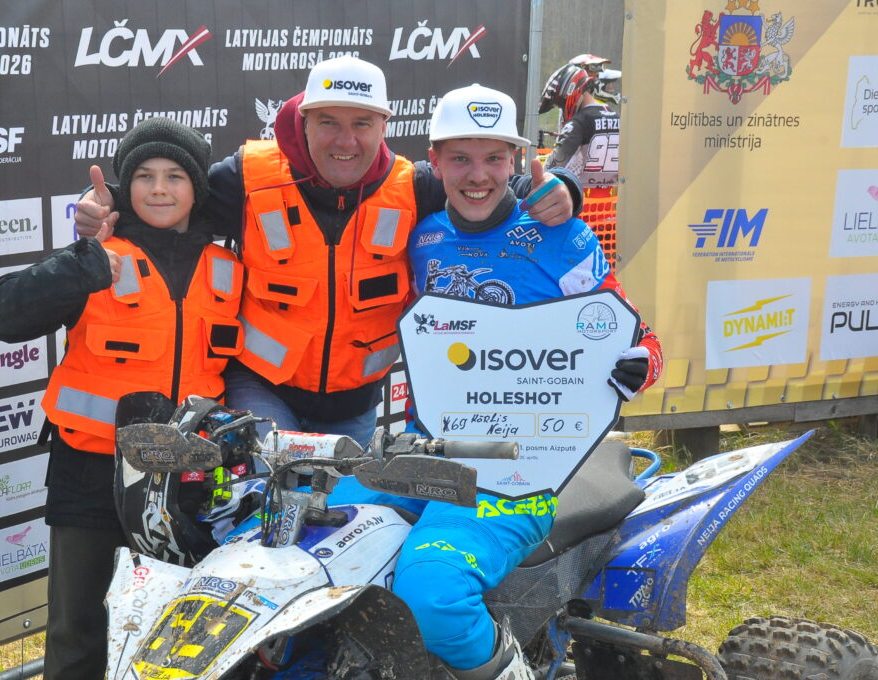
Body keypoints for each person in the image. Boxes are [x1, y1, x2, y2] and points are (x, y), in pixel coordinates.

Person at [73, 56, 584, 450]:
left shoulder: (414, 187)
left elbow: (489, 184)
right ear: (303, 121)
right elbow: (170, 197)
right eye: (328, 122)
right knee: (274, 503)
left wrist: (563, 188)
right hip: (262, 389)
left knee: (338, 521)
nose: (346, 140)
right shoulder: (250, 177)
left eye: (362, 123)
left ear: (384, 126)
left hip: (353, 406)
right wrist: (106, 203)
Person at [393, 83, 661, 679]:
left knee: (433, 596)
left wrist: (642, 360)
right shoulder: (423, 238)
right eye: (460, 158)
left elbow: (637, 334)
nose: (478, 175)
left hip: (522, 468)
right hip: (422, 452)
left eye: (494, 158)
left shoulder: (564, 238)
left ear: (516, 159)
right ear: (434, 161)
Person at [0, 117, 243, 680]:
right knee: (79, 633)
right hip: (90, 474)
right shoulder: (99, 256)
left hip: (188, 484)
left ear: (197, 187)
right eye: (144, 176)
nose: (159, 189)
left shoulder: (229, 270)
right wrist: (78, 267)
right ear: (126, 186)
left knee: (177, 637)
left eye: (175, 176)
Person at [540, 61, 621, 193]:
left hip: (580, 201)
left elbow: (549, 171)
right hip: (612, 202)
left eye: (560, 104)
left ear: (569, 92)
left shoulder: (577, 124)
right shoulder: (618, 118)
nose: (562, 108)